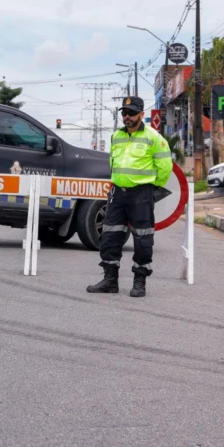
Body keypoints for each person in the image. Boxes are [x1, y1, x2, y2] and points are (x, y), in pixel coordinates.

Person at [88, 96, 172, 298]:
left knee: (143, 239)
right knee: (109, 236)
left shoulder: (154, 138)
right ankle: (110, 281)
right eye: (124, 113)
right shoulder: (116, 136)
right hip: (117, 193)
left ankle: (139, 281)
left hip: (141, 194)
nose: (127, 116)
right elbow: (113, 164)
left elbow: (165, 168)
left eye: (131, 113)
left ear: (141, 114)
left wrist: (152, 190)